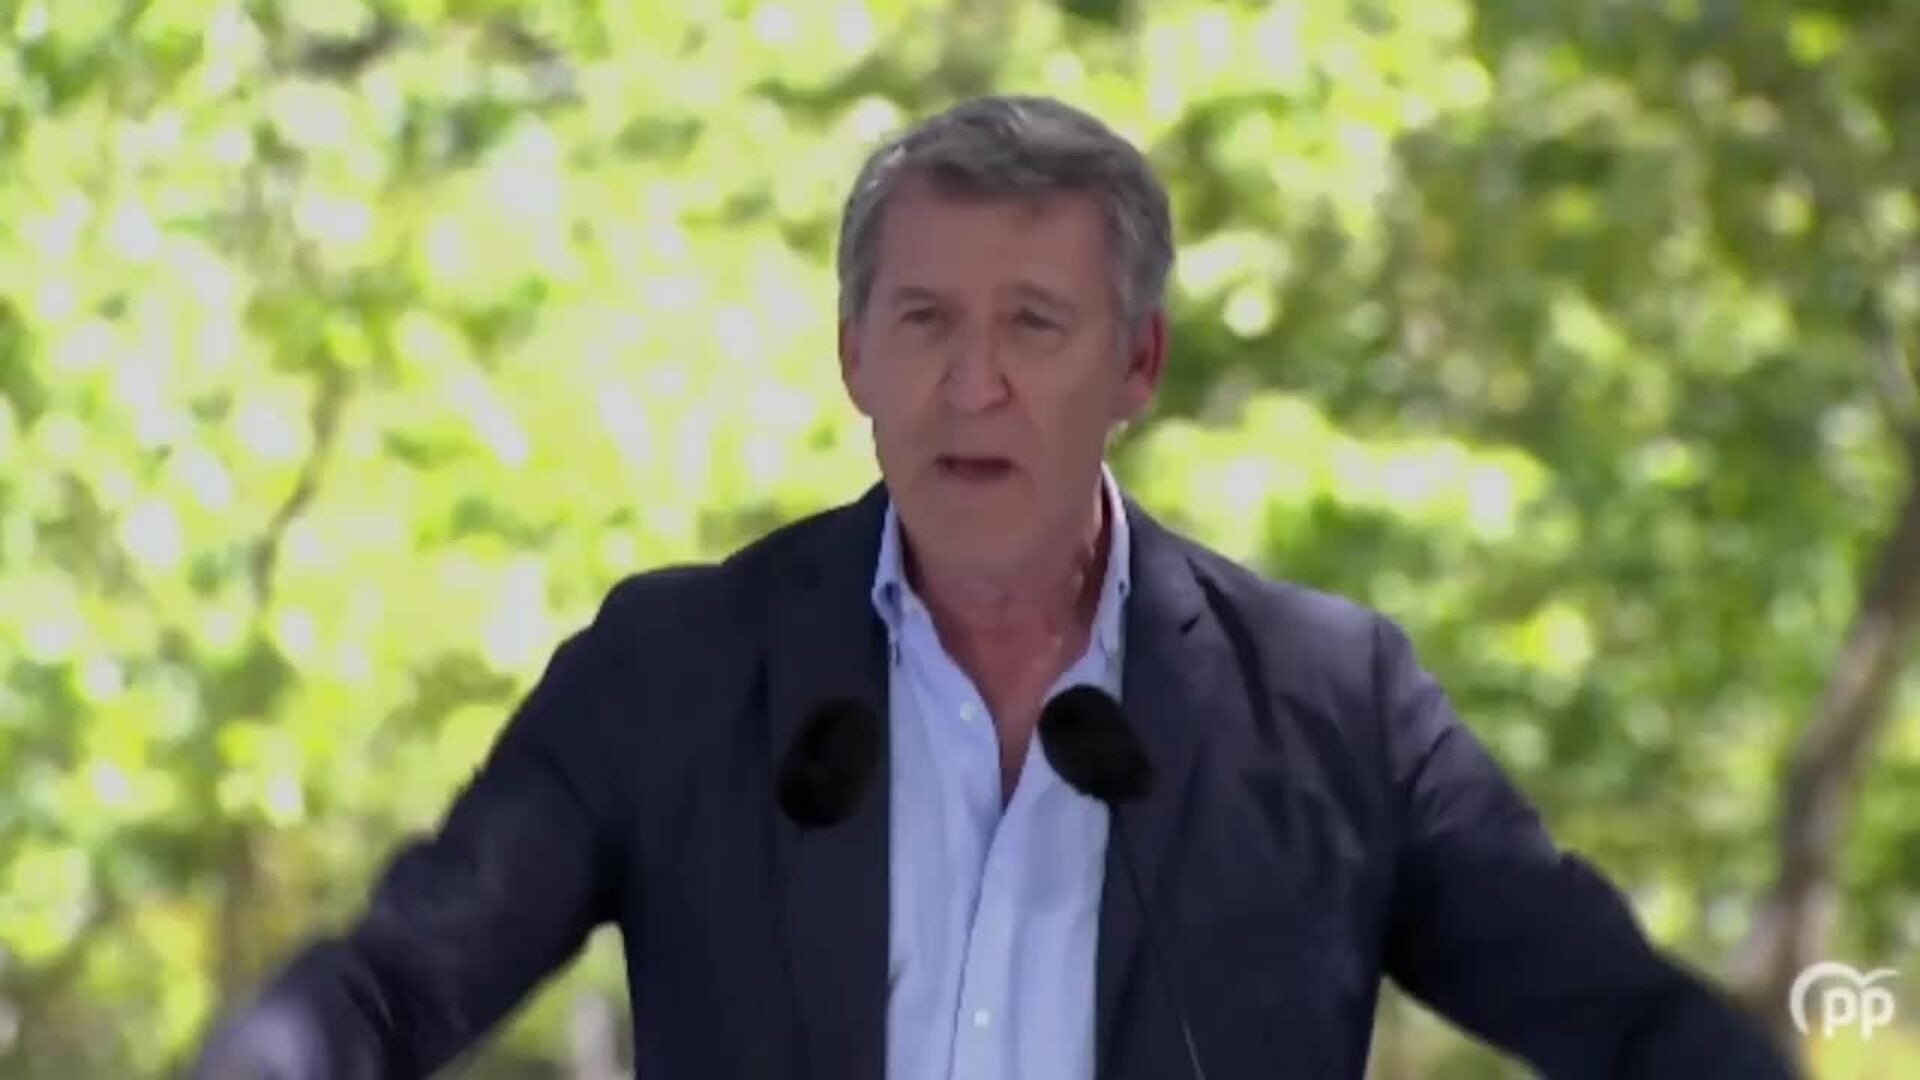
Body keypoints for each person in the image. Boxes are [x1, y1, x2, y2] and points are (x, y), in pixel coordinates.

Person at [189, 95, 1796, 1079]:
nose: (973, 387)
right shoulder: (674, 670)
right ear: (852, 360)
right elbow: (390, 990)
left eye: (1033, 323)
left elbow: (1627, 1022)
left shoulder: (1330, 705)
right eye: (923, 324)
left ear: (1138, 364)